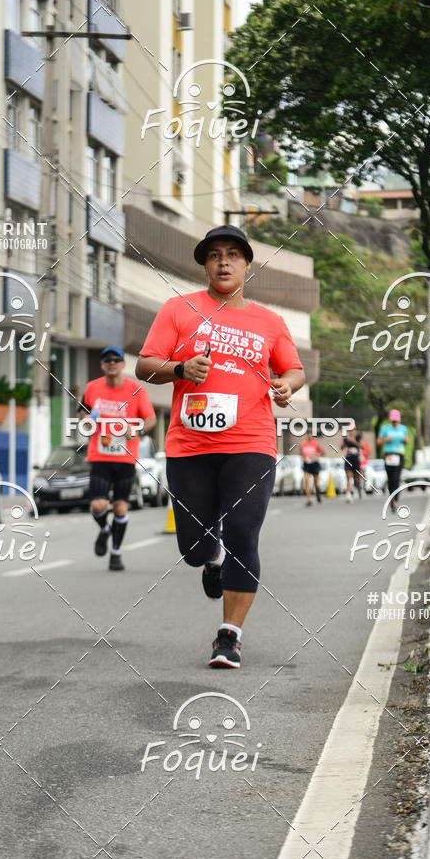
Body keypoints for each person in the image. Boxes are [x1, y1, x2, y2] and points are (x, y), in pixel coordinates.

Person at [135, 224, 305, 669]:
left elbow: (294, 370)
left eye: (233, 254)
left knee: (244, 534)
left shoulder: (269, 321)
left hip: (251, 442)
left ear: (247, 264)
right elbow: (145, 366)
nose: (223, 262)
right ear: (206, 265)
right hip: (190, 445)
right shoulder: (179, 309)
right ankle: (211, 556)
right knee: (193, 548)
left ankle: (229, 636)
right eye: (214, 255)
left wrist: (285, 386)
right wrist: (179, 368)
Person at [80, 345, 156, 570]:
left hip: (125, 459)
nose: (111, 363)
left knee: (121, 508)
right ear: (102, 365)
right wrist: (87, 421)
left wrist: (138, 430)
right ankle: (104, 529)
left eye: (116, 359)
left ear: (123, 364)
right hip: (100, 456)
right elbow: (83, 411)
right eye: (107, 360)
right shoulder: (92, 387)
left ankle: (116, 553)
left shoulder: (136, 390)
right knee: (98, 505)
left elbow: (150, 419)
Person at [377, 408, 408, 512]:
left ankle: (396, 501)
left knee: (396, 478)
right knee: (390, 479)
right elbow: (378, 442)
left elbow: (406, 441)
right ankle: (392, 499)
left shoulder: (403, 429)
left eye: (396, 420)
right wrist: (386, 439)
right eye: (393, 420)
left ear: (399, 420)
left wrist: (405, 440)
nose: (394, 422)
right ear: (391, 420)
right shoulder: (385, 429)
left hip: (399, 455)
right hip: (389, 455)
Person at [301, 430, 325, 505]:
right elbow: (302, 453)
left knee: (316, 483)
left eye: (310, 434)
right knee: (306, 481)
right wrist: (305, 458)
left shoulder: (315, 443)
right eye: (308, 434)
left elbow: (323, 452)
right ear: (306, 435)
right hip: (307, 464)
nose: (309, 436)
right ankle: (309, 499)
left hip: (315, 464)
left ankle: (318, 493)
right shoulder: (303, 444)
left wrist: (316, 454)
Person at [342, 426, 363, 502]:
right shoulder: (346, 438)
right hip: (348, 458)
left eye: (352, 429)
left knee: (356, 477)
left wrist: (354, 441)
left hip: (356, 459)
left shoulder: (358, 437)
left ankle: (355, 488)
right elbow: (341, 447)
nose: (351, 431)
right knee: (348, 476)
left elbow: (362, 446)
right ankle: (348, 494)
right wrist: (345, 441)